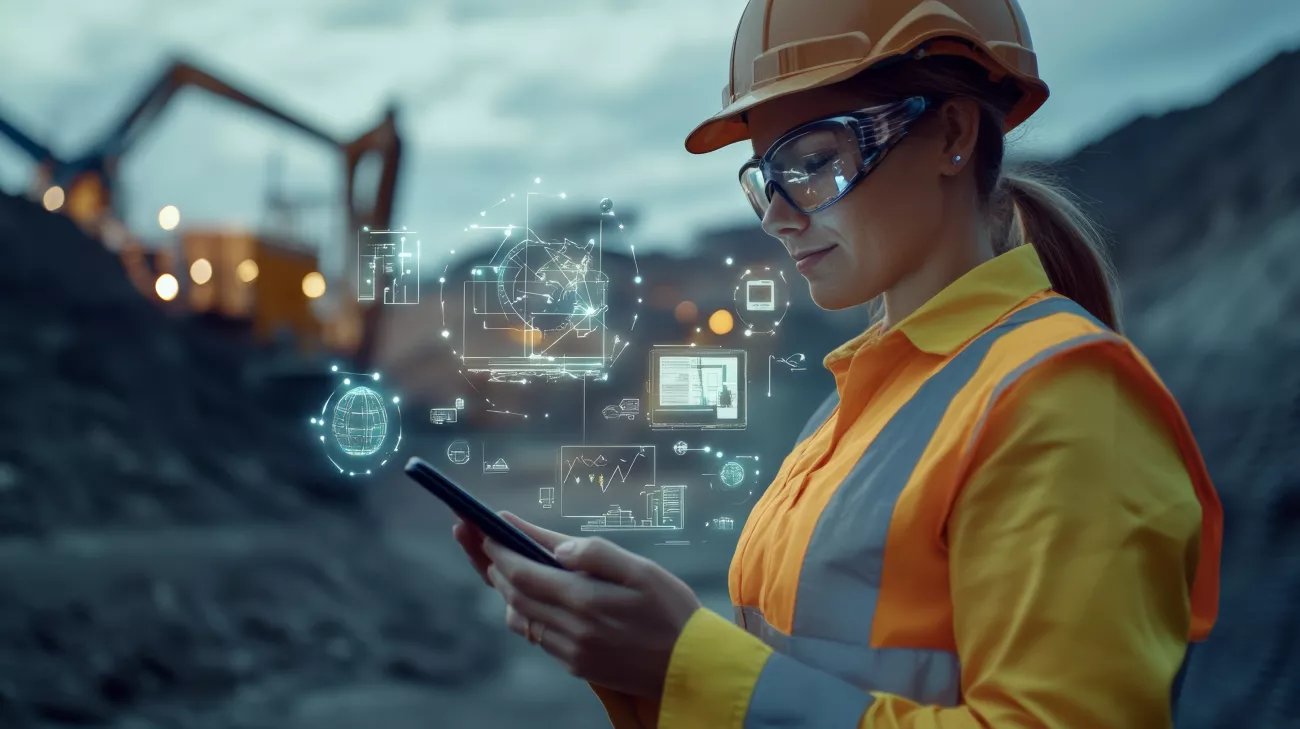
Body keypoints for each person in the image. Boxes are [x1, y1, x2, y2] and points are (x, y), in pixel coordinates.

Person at [453, 0, 1224, 726]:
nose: (779, 217)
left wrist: (686, 656)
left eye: (814, 162)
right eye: (766, 180)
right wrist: (642, 657)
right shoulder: (865, 401)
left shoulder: (1063, 401)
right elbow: (804, 678)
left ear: (953, 134)